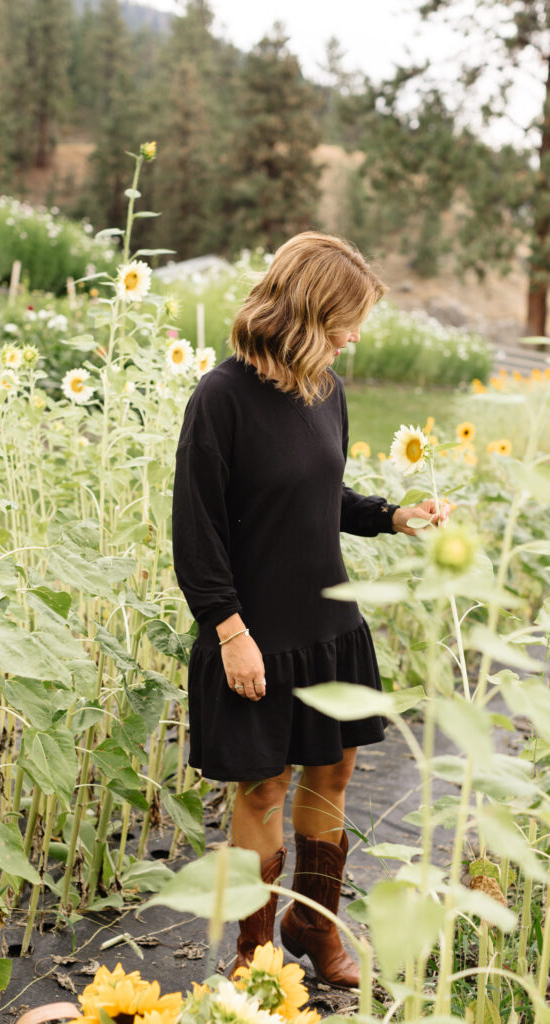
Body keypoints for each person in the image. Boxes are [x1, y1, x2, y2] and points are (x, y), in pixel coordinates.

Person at [171, 232, 449, 988]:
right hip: (253, 634)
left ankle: (313, 927)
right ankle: (255, 955)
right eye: (345, 320)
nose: (354, 337)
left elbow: (320, 500)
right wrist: (230, 633)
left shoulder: (327, 392)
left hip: (330, 627)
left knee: (332, 776)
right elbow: (194, 538)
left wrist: (393, 517)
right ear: (306, 312)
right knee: (262, 788)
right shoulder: (220, 399)